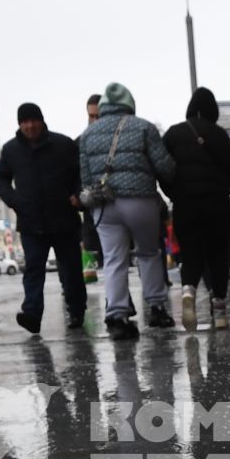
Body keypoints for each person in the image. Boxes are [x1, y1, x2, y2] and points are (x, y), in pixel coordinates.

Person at [75, 82, 175, 340]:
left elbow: (85, 177)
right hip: (140, 201)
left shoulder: (87, 135)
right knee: (148, 252)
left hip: (104, 205)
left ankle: (117, 315)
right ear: (130, 105)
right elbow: (164, 166)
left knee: (114, 259)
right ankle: (156, 307)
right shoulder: (143, 127)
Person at [0, 102, 85, 334]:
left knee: (71, 269)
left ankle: (77, 310)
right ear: (19, 124)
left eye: (33, 121)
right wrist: (14, 201)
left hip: (63, 219)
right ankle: (32, 313)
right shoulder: (11, 150)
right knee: (33, 269)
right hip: (31, 222)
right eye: (24, 122)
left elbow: (80, 172)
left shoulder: (62, 144)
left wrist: (76, 194)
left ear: (42, 121)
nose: (29, 126)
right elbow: (0, 177)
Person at [163, 88, 230, 330]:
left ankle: (188, 291)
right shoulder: (220, 135)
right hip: (216, 205)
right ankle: (219, 311)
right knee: (217, 256)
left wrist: (174, 193)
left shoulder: (173, 134)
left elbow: (162, 169)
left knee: (191, 255)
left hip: (185, 206)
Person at [78, 94, 103, 270]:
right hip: (90, 209)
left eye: (98, 115)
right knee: (92, 265)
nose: (94, 120)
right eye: (91, 116)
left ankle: (120, 296)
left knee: (116, 257)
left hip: (113, 205)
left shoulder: (120, 139)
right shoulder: (79, 142)